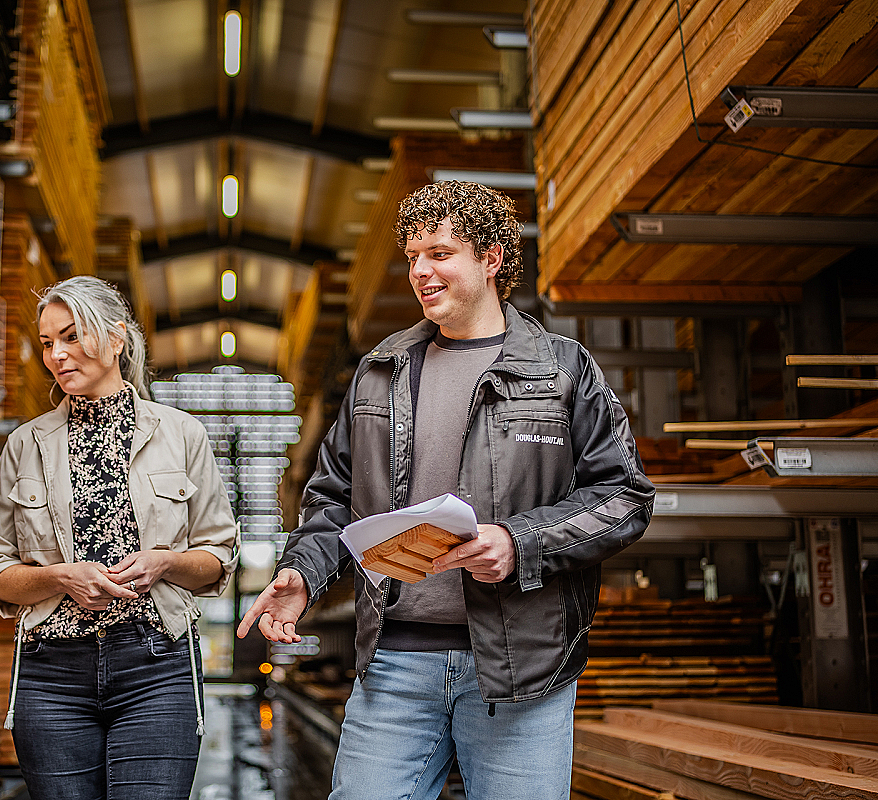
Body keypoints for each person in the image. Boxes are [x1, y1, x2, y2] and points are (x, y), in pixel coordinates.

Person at [238, 181, 655, 800]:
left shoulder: (562, 370)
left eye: (439, 253)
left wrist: (520, 543)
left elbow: (623, 496)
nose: (420, 271)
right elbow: (332, 498)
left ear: (490, 259)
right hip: (396, 663)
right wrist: (303, 572)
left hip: (521, 667)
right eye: (411, 257)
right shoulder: (381, 374)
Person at [0, 276, 238, 800]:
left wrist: (162, 563)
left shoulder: (182, 434)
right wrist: (56, 578)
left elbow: (218, 559)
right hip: (52, 674)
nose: (57, 355)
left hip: (156, 666)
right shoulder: (25, 445)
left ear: (116, 339)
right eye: (48, 342)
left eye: (72, 337)